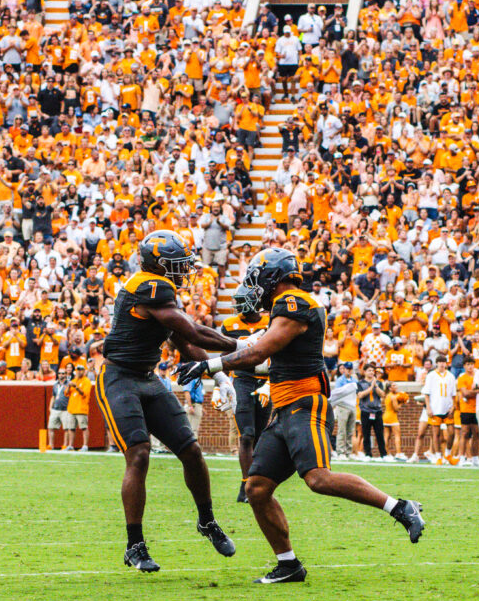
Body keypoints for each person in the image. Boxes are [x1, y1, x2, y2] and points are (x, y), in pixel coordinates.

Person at [176, 248, 424, 583]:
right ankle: (289, 564)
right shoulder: (287, 310)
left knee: (318, 478)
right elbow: (259, 355)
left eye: (256, 279)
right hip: (284, 411)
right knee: (257, 488)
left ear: (272, 278)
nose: (253, 288)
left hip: (305, 406)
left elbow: (261, 351)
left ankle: (400, 507)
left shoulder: (294, 303)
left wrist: (210, 365)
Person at [94, 230, 237, 573]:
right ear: (159, 265)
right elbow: (194, 332)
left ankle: (206, 521)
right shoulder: (150, 287)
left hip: (147, 378)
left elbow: (184, 343)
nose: (183, 270)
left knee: (190, 450)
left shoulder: (159, 294)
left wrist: (217, 374)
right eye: (176, 264)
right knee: (139, 454)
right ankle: (135, 545)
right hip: (119, 379)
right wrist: (241, 347)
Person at [220, 300, 269, 500]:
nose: (239, 307)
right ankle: (246, 483)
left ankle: (256, 485)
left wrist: (272, 382)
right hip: (242, 379)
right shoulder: (230, 324)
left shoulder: (270, 321)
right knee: (246, 435)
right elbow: (224, 355)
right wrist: (219, 384)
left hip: (265, 381)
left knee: (260, 436)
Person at [417, 359, 456, 462]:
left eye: (444, 362)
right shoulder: (431, 376)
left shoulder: (450, 376)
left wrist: (453, 406)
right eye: (440, 362)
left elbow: (454, 394)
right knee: (436, 433)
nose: (442, 364)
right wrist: (428, 408)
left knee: (451, 433)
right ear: (437, 363)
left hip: (447, 408)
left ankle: (447, 453)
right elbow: (426, 393)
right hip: (435, 408)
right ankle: (438, 456)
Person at [329, 361, 358, 461]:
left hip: (352, 406)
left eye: (350, 369)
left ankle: (348, 451)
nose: (349, 371)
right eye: (347, 369)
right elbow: (338, 393)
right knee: (342, 430)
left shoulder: (354, 380)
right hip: (343, 406)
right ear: (344, 369)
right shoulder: (340, 380)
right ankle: (340, 451)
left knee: (350, 431)